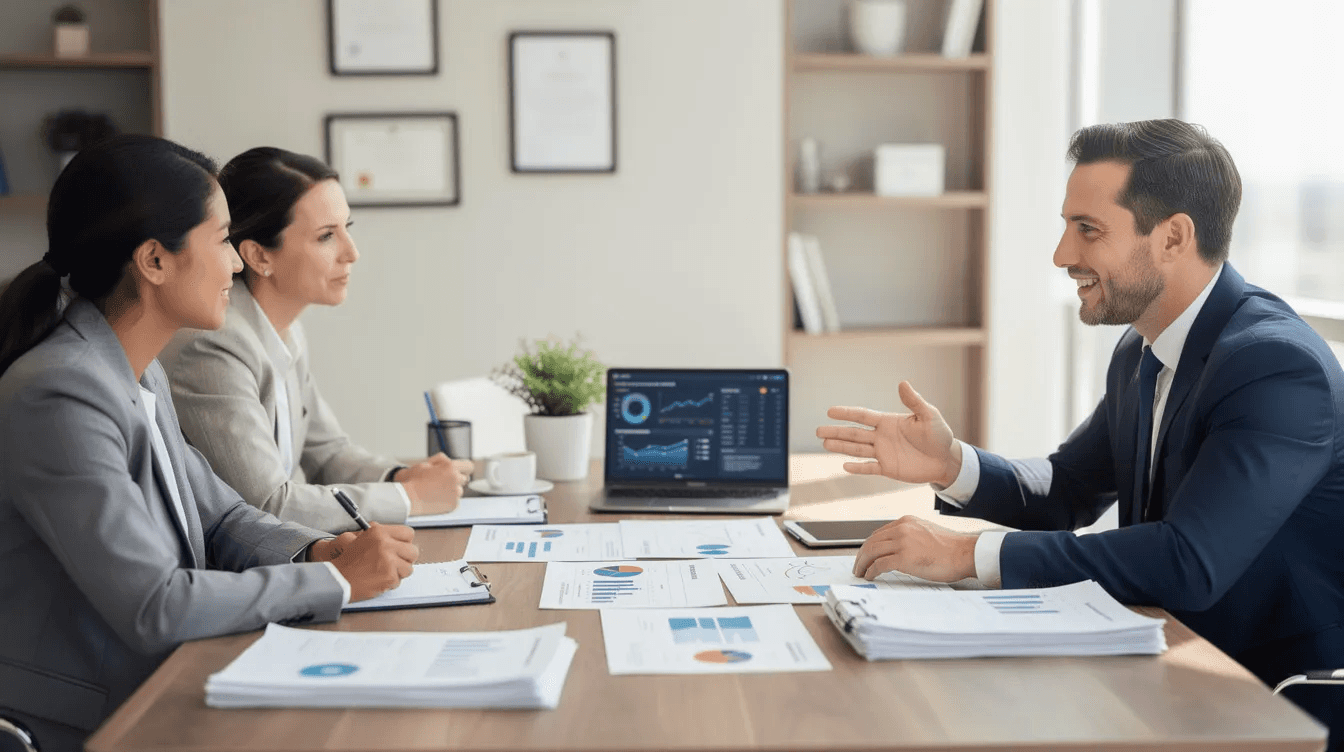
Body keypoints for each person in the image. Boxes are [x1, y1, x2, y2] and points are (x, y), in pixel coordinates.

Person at [817, 119, 1344, 746]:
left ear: (1174, 237)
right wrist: (950, 464)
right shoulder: (1142, 349)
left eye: (1087, 230)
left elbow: (1188, 560)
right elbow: (1068, 488)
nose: (1062, 255)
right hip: (1167, 659)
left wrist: (966, 554)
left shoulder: (1275, 366)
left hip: (1265, 696)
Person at [0, 135, 419, 752]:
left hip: (164, 681)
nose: (236, 264)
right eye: (222, 240)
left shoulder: (139, 370)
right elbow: (156, 604)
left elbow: (221, 516)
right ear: (154, 261)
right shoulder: (62, 393)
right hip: (92, 723)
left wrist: (321, 552)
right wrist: (335, 583)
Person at [159, 147, 469, 533]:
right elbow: (268, 504)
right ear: (258, 256)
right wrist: (414, 499)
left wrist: (403, 477)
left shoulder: (283, 328)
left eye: (347, 229)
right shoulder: (213, 346)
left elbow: (328, 453)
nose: (351, 253)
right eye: (326, 236)